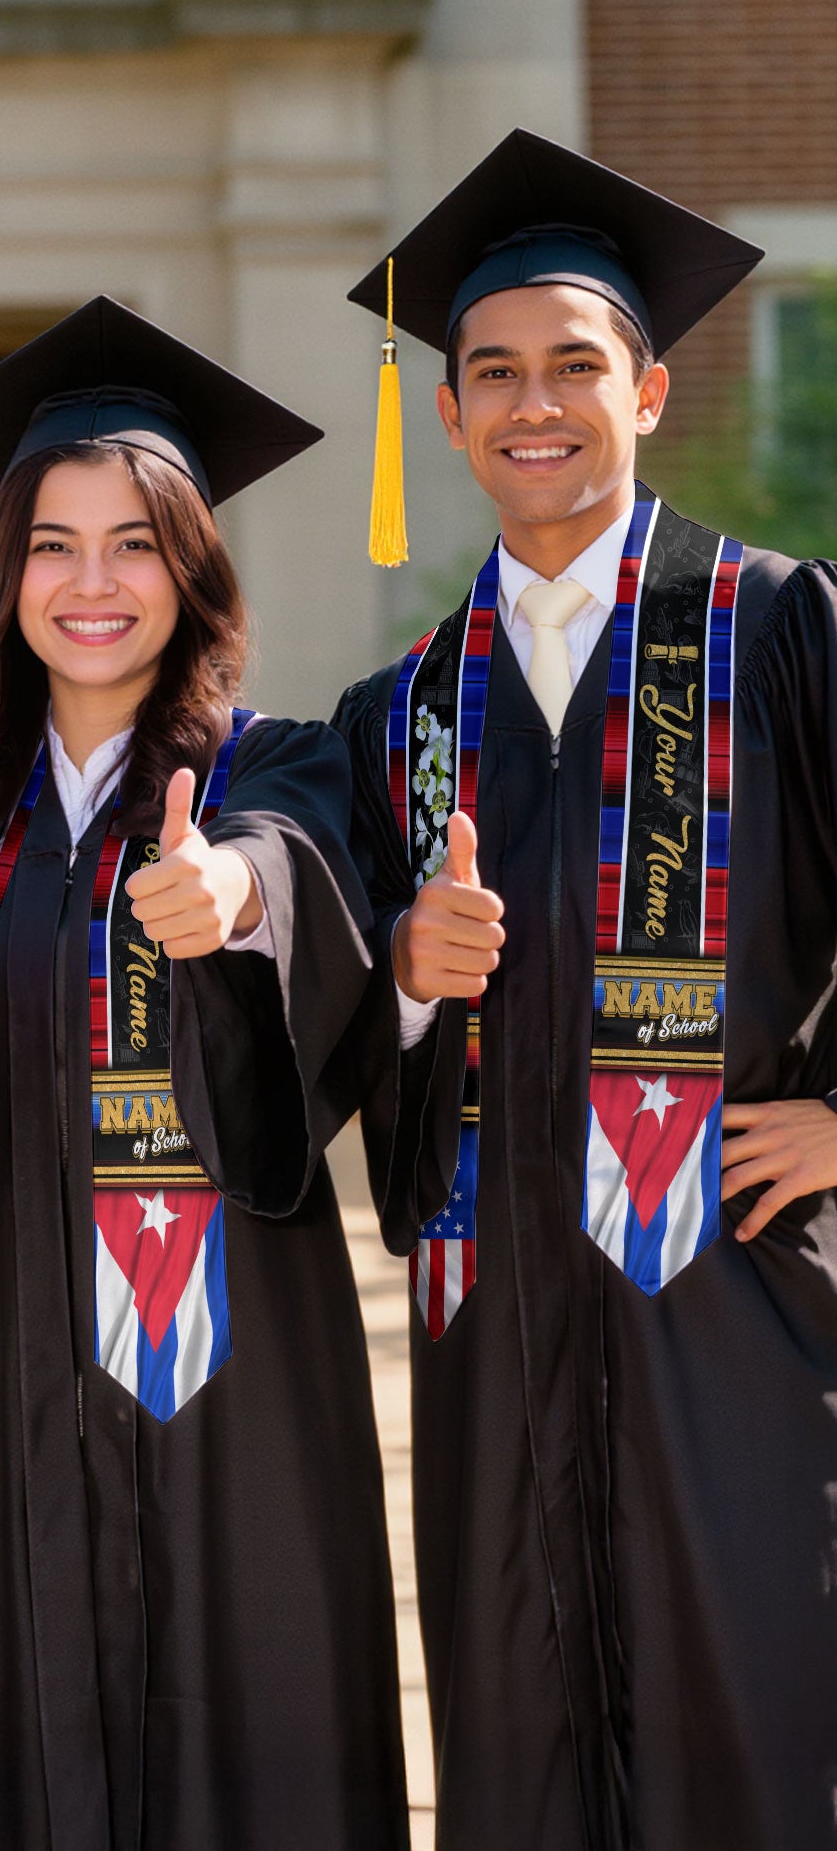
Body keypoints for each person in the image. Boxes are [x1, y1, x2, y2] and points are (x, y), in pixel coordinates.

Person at [0, 297, 408, 1850]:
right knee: (38, 1730)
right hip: (13, 1356)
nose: (94, 585)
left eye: (137, 543)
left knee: (263, 1723)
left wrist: (235, 899)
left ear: (194, 568)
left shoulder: (278, 767)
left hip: (238, 1358)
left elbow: (303, 880)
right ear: (3, 571)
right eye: (53, 545)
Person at [334, 130, 837, 1850]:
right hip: (496, 1321)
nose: (531, 403)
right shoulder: (397, 715)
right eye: (492, 373)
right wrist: (403, 981)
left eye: (573, 366)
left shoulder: (778, 630)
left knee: (758, 1720)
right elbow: (334, 1034)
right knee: (518, 1733)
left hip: (738, 1299)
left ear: (651, 389)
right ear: (454, 412)